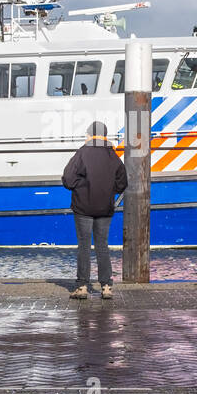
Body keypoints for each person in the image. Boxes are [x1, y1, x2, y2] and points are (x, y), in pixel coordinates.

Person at [62, 121, 128, 300]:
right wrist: (109, 191)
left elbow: (68, 179)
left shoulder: (82, 153)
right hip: (105, 207)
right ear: (105, 136)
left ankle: (82, 286)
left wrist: (81, 187)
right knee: (102, 246)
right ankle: (106, 287)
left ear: (90, 135)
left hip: (83, 207)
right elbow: (122, 182)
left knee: (84, 246)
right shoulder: (112, 155)